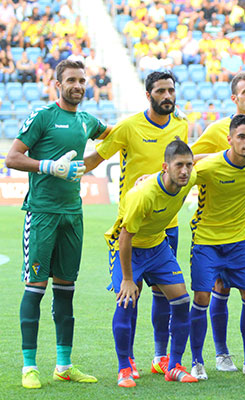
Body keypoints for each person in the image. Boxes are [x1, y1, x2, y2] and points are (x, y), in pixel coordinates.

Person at [5, 59, 110, 389]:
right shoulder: (43, 116)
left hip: (72, 215)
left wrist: (85, 163)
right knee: (35, 289)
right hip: (43, 214)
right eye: (71, 80)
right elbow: (12, 157)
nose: (78, 85)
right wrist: (48, 166)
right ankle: (29, 366)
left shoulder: (86, 120)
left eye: (82, 80)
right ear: (57, 84)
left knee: (66, 291)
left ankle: (63, 365)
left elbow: (113, 139)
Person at [84, 70, 188, 379]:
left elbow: (187, 164)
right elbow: (96, 160)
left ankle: (160, 356)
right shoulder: (129, 127)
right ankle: (126, 362)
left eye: (171, 90)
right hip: (133, 224)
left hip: (168, 225)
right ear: (148, 95)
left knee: (164, 295)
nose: (167, 96)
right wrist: (63, 170)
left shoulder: (181, 124)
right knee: (131, 292)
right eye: (160, 91)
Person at [190, 71, 245, 375]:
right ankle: (221, 353)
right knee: (220, 287)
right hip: (221, 226)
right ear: (234, 97)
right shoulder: (217, 130)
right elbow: (193, 159)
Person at [109, 140, 198, 387]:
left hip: (158, 247)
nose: (184, 170)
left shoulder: (189, 179)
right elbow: (125, 236)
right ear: (165, 167)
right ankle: (125, 368)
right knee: (126, 301)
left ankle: (174, 366)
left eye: (188, 165)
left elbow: (205, 160)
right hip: (129, 248)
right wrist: (128, 279)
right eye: (179, 165)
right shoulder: (143, 194)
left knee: (181, 301)